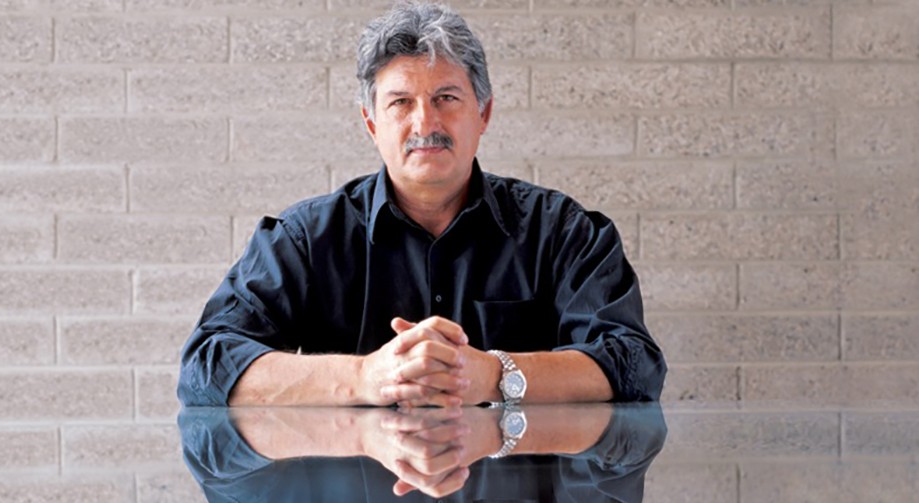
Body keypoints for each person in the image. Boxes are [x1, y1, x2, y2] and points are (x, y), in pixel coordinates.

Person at [178, 2, 665, 408]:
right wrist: (367, 377)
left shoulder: (562, 232)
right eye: (401, 103)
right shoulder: (305, 238)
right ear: (372, 124)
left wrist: (495, 374)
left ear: (484, 113)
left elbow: (633, 363)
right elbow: (207, 365)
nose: (425, 122)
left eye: (447, 97)